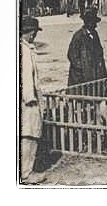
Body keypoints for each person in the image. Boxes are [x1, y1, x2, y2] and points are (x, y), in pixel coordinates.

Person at [20, 16, 46, 184]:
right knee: (29, 134)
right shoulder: (26, 51)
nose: (35, 36)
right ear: (30, 33)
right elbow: (26, 76)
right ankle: (26, 172)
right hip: (27, 100)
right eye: (34, 32)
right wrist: (30, 97)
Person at [67, 7, 107, 87]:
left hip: (95, 76)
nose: (95, 25)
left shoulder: (95, 35)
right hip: (81, 79)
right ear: (87, 22)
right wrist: (83, 69)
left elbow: (99, 54)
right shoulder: (78, 36)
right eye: (93, 22)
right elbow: (72, 56)